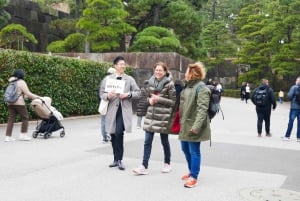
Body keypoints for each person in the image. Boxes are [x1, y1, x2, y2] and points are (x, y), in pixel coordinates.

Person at [132, 62, 176, 175]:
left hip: (163, 117)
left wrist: (158, 99)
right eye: (156, 70)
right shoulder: (150, 83)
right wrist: (149, 101)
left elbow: (173, 102)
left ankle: (167, 164)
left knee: (164, 141)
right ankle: (144, 166)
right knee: (147, 141)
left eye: (160, 70)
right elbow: (145, 98)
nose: (158, 72)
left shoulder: (170, 84)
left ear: (165, 72)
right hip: (151, 115)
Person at [99, 56, 140, 170]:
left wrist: (127, 94)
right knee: (112, 134)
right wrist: (108, 95)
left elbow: (138, 92)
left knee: (118, 133)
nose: (123, 66)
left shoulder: (129, 79)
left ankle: (120, 159)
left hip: (123, 110)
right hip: (111, 110)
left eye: (124, 64)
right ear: (115, 66)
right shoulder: (108, 79)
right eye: (120, 64)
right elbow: (101, 94)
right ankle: (115, 159)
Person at [178, 62, 211, 188]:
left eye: (187, 71)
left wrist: (196, 126)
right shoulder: (187, 87)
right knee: (185, 149)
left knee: (194, 151)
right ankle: (191, 171)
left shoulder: (202, 88)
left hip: (194, 125)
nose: (185, 73)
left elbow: (202, 110)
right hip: (185, 124)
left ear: (192, 73)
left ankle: (194, 177)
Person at [4, 69, 40, 142]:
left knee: (11, 119)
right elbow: (28, 93)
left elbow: (19, 93)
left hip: (10, 103)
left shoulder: (12, 82)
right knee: (25, 117)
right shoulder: (21, 82)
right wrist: (37, 96)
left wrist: (25, 96)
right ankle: (23, 135)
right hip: (19, 103)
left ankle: (8, 137)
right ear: (21, 75)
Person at [99, 67, 116, 144]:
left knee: (103, 120)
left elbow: (100, 93)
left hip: (105, 102)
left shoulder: (104, 80)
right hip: (113, 103)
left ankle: (104, 137)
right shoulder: (116, 81)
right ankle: (111, 135)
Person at [282, 77, 300, 142]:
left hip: (294, 107)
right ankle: (299, 137)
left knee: (291, 122)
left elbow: (289, 96)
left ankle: (287, 136)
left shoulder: (294, 87)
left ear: (297, 81)